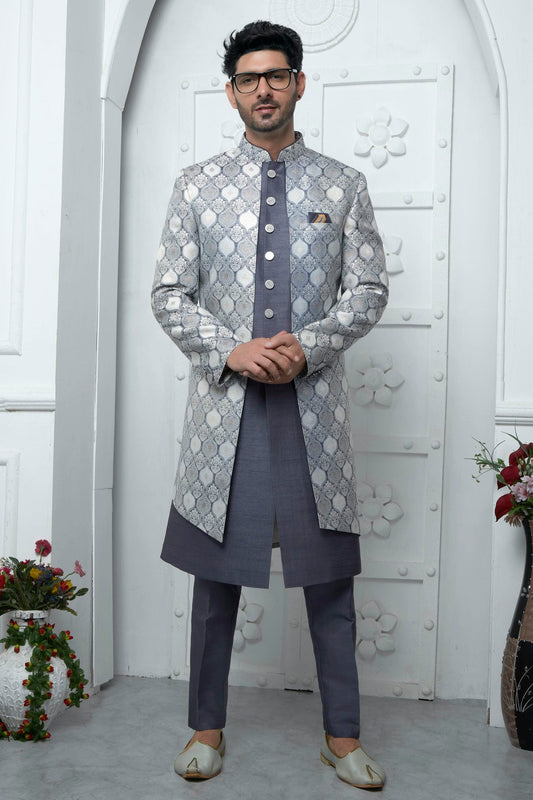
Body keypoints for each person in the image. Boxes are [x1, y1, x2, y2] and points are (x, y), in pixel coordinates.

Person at [152, 20, 389, 791]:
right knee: (213, 580)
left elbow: (368, 289)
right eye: (249, 78)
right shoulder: (195, 186)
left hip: (312, 412)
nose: (263, 89)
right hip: (225, 412)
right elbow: (168, 293)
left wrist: (307, 347)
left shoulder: (342, 185)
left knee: (329, 580)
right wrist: (232, 349)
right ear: (231, 92)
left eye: (276, 75)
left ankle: (342, 738)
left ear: (298, 84)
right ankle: (205, 730)